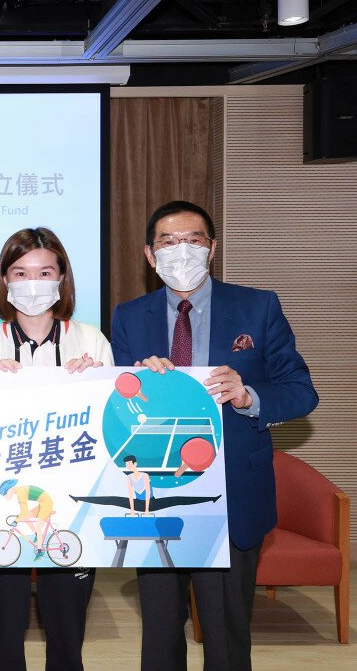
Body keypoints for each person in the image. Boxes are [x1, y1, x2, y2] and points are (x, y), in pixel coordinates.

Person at [111, 200, 318, 671]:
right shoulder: (129, 316)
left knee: (226, 637)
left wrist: (249, 395)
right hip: (158, 488)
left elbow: (301, 392)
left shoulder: (257, 306)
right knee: (160, 636)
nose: (180, 250)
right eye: (168, 241)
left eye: (193, 240)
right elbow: (117, 409)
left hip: (231, 498)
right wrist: (134, 385)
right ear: (149, 255)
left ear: (212, 248)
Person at [0, 226, 112, 671]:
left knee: (67, 631)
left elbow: (111, 423)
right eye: (20, 272)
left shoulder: (91, 341)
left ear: (62, 279)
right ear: (5, 281)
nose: (33, 284)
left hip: (73, 505)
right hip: (2, 503)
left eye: (44, 271)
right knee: (5, 631)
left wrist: (93, 381)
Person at [70, 455, 221, 513]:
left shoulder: (145, 475)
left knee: (178, 500)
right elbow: (130, 494)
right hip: (137, 503)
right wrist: (133, 510)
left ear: (135, 463)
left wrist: (147, 510)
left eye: (129, 464)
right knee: (112, 499)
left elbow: (148, 493)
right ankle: (79, 498)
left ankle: (211, 498)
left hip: (152, 504)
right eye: (127, 464)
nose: (128, 466)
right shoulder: (129, 478)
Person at [0, 479, 54, 560]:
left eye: (5, 494)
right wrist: (18, 518)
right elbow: (24, 513)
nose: (5, 497)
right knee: (25, 517)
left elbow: (24, 511)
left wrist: (16, 521)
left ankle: (40, 551)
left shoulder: (20, 492)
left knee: (38, 526)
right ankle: (37, 535)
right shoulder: (19, 491)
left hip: (46, 503)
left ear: (10, 490)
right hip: (43, 502)